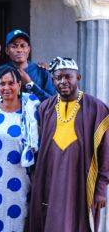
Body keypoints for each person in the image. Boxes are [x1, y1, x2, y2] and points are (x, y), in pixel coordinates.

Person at [29, 57, 109, 232]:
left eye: (68, 77)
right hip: (50, 181)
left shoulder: (97, 109)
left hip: (81, 181)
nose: (63, 81)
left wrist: (101, 189)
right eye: (58, 78)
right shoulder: (45, 108)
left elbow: (106, 152)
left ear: (78, 78)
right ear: (53, 80)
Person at [0, 66, 40, 231]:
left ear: (20, 85)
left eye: (11, 83)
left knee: (18, 222)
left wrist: (33, 84)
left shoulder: (31, 109)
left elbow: (53, 102)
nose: (6, 88)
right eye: (2, 84)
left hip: (21, 180)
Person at [0, 29, 55, 101]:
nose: (19, 50)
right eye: (14, 46)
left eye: (23, 46)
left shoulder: (42, 71)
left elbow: (52, 102)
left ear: (29, 49)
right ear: (7, 50)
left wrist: (30, 85)